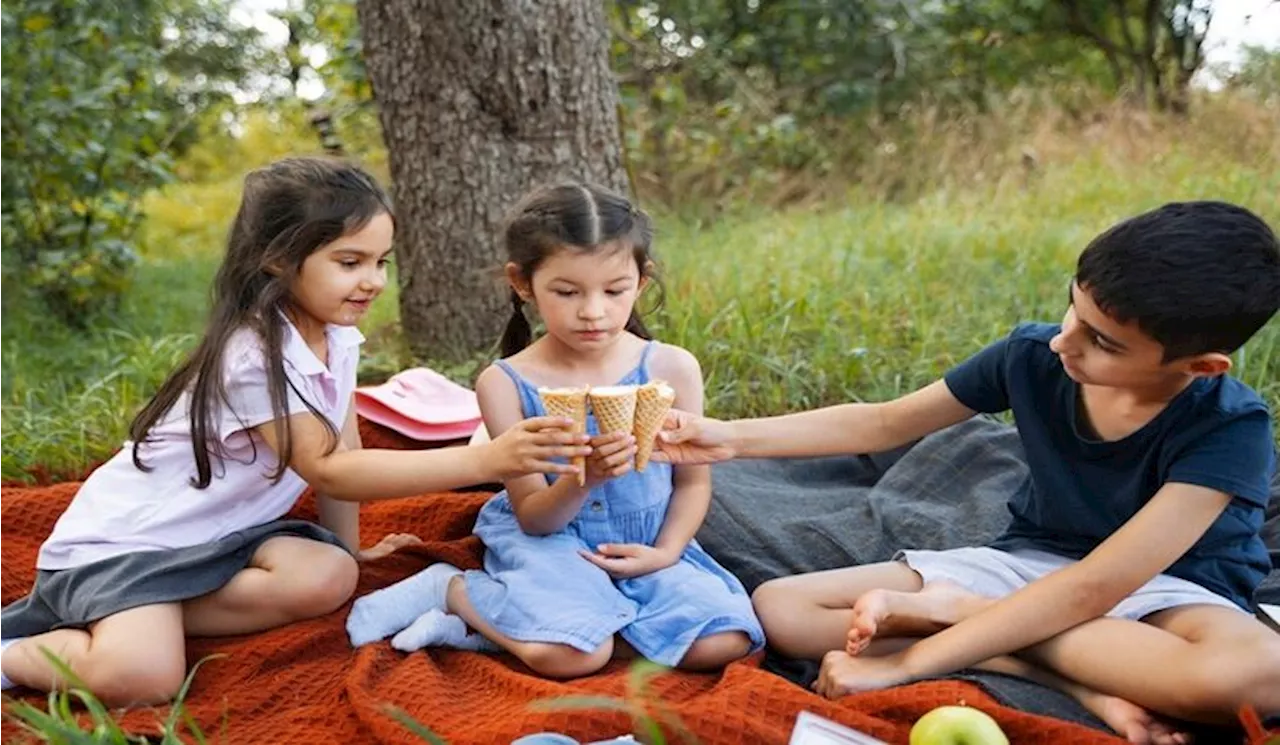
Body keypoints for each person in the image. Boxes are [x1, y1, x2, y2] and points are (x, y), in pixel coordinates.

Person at [654, 201, 1280, 743]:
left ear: (1200, 367)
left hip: (1166, 597)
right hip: (1031, 565)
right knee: (783, 607)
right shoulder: (1033, 357)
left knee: (1257, 680)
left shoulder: (1230, 427)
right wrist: (727, 437)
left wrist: (910, 661)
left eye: (1103, 342)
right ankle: (1040, 665)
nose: (1066, 342)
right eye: (1073, 309)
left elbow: (1097, 587)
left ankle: (959, 615)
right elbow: (883, 424)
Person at [0, 157, 591, 706]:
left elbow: (344, 446)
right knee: (144, 679)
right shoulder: (253, 354)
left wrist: (352, 547)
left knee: (332, 574)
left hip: (220, 540)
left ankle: (150, 617)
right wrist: (488, 461)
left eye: (380, 262)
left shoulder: (336, 334)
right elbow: (327, 468)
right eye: (349, 262)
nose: (373, 281)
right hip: (129, 548)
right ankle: (20, 652)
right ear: (278, 260)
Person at [345, 181, 764, 677]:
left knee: (724, 641)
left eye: (615, 291)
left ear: (642, 282)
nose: (593, 311)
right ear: (522, 283)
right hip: (554, 539)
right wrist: (586, 477)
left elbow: (693, 481)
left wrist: (666, 552)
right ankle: (454, 591)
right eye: (567, 292)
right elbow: (536, 518)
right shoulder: (505, 384)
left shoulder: (672, 369)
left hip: (649, 536)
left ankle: (532, 629)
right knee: (574, 655)